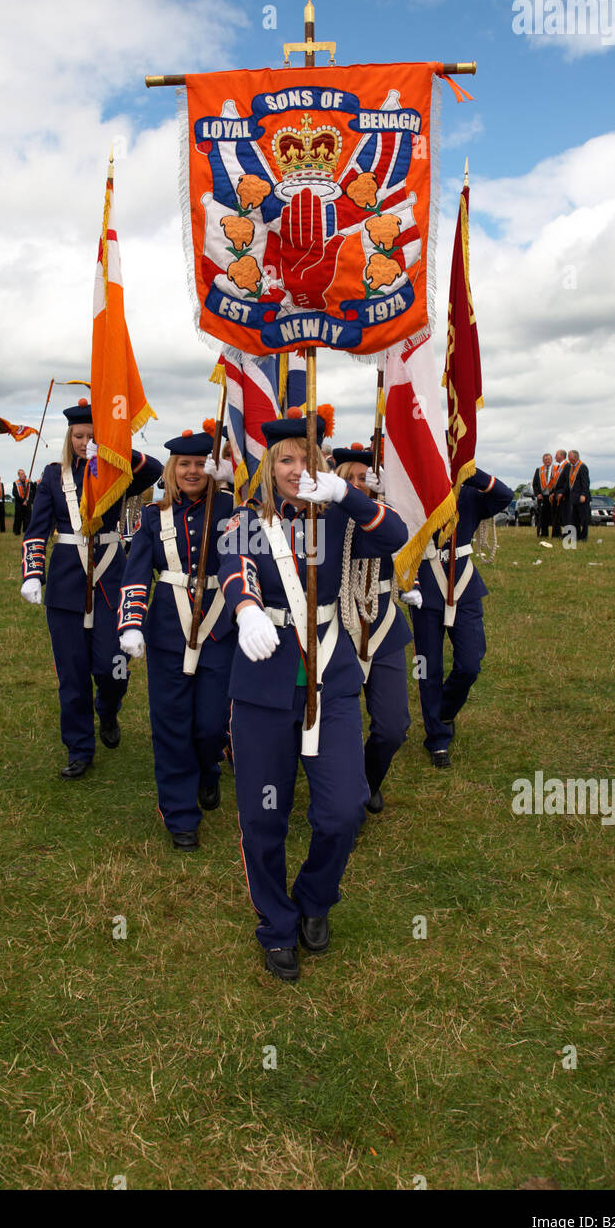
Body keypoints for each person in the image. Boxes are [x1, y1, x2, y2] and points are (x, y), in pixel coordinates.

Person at [218, 411, 407, 983]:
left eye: (306, 458)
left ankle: (315, 897)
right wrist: (246, 608)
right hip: (264, 681)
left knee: (344, 809)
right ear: (268, 467)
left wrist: (346, 492)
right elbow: (236, 568)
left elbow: (397, 535)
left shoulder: (338, 514)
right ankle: (277, 924)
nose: (297, 470)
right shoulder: (246, 520)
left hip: (332, 675)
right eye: (285, 460)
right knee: (263, 817)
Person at [20, 401, 162, 778]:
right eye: (79, 436)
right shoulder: (53, 476)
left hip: (111, 576)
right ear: (70, 438)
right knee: (72, 672)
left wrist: (117, 451)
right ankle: (79, 747)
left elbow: (158, 472)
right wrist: (32, 572)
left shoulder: (118, 472)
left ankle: (109, 709)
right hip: (67, 580)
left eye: (92, 436)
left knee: (112, 666)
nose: (85, 443)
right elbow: (36, 529)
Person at [118, 428, 237, 848]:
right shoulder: (154, 515)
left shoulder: (234, 508)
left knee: (210, 725)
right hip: (168, 630)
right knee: (170, 726)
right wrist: (131, 623)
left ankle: (209, 768)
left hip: (221, 628)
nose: (191, 471)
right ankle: (180, 816)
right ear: (172, 469)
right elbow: (136, 572)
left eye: (199, 464)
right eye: (183, 464)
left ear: (212, 467)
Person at [408, 468, 513, 768]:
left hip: (463, 584)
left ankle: (443, 711)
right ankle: (437, 739)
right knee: (428, 668)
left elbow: (504, 495)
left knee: (470, 663)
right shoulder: (413, 495)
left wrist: (469, 472)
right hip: (426, 587)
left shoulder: (467, 493)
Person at [333, 444, 412, 816]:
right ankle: (347, 793)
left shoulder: (382, 518)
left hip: (382, 625)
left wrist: (384, 496)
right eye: (349, 479)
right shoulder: (328, 520)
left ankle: (369, 779)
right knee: (338, 727)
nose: (357, 485)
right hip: (339, 627)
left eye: (364, 479)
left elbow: (395, 535)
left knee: (393, 726)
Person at [568, 450, 590, 541]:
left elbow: (585, 482)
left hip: (581, 497)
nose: (568, 458)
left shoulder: (582, 467)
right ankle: (577, 536)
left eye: (569, 456)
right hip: (574, 497)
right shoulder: (571, 467)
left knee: (583, 518)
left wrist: (584, 494)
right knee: (575, 518)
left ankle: (584, 536)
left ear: (575, 457)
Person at [532, 453, 555, 537]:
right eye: (545, 460)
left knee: (554, 516)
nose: (547, 461)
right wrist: (537, 494)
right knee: (543, 517)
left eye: (548, 459)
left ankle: (555, 534)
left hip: (552, 496)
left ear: (551, 460)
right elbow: (535, 484)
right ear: (543, 461)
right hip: (542, 497)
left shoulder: (556, 469)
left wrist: (554, 493)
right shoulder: (539, 470)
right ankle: (544, 533)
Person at [551, 449, 570, 539]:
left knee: (565, 515)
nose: (555, 457)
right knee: (558, 515)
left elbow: (566, 481)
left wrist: (562, 492)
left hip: (563, 495)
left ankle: (567, 534)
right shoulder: (558, 467)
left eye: (557, 455)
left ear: (562, 456)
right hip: (557, 492)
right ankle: (558, 533)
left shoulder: (566, 466)